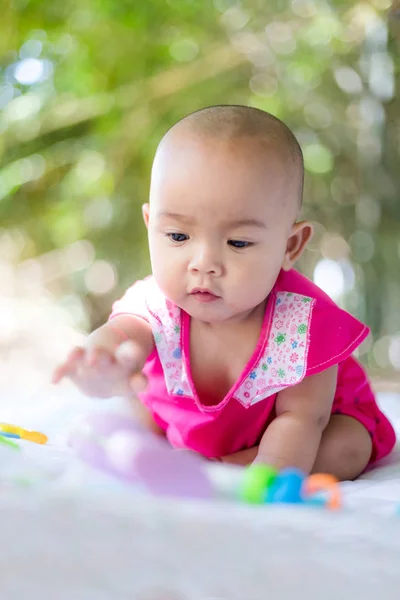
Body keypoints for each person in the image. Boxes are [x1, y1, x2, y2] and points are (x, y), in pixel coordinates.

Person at [53, 105, 395, 480]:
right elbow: (121, 334)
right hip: (188, 424)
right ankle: (171, 451)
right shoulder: (156, 306)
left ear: (290, 246)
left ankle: (232, 465)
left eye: (238, 242)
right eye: (179, 236)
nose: (204, 263)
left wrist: (255, 484)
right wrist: (101, 361)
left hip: (300, 429)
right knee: (137, 405)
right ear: (151, 225)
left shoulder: (302, 326)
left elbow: (302, 420)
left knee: (347, 447)